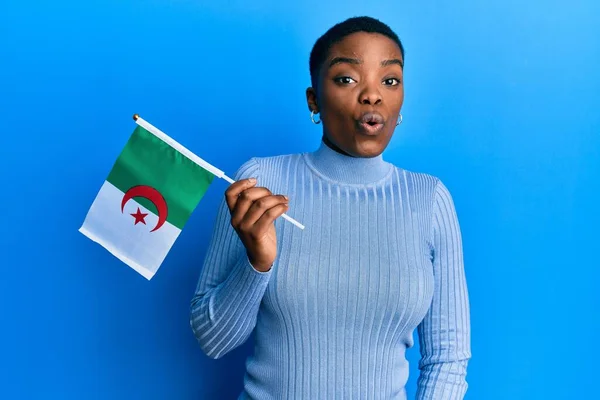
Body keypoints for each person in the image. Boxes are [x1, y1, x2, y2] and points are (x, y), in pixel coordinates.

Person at [190, 16, 471, 399]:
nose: (372, 95)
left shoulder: (429, 198)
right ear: (313, 100)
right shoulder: (259, 184)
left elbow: (447, 359)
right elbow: (213, 340)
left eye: (390, 80)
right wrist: (257, 262)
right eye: (347, 79)